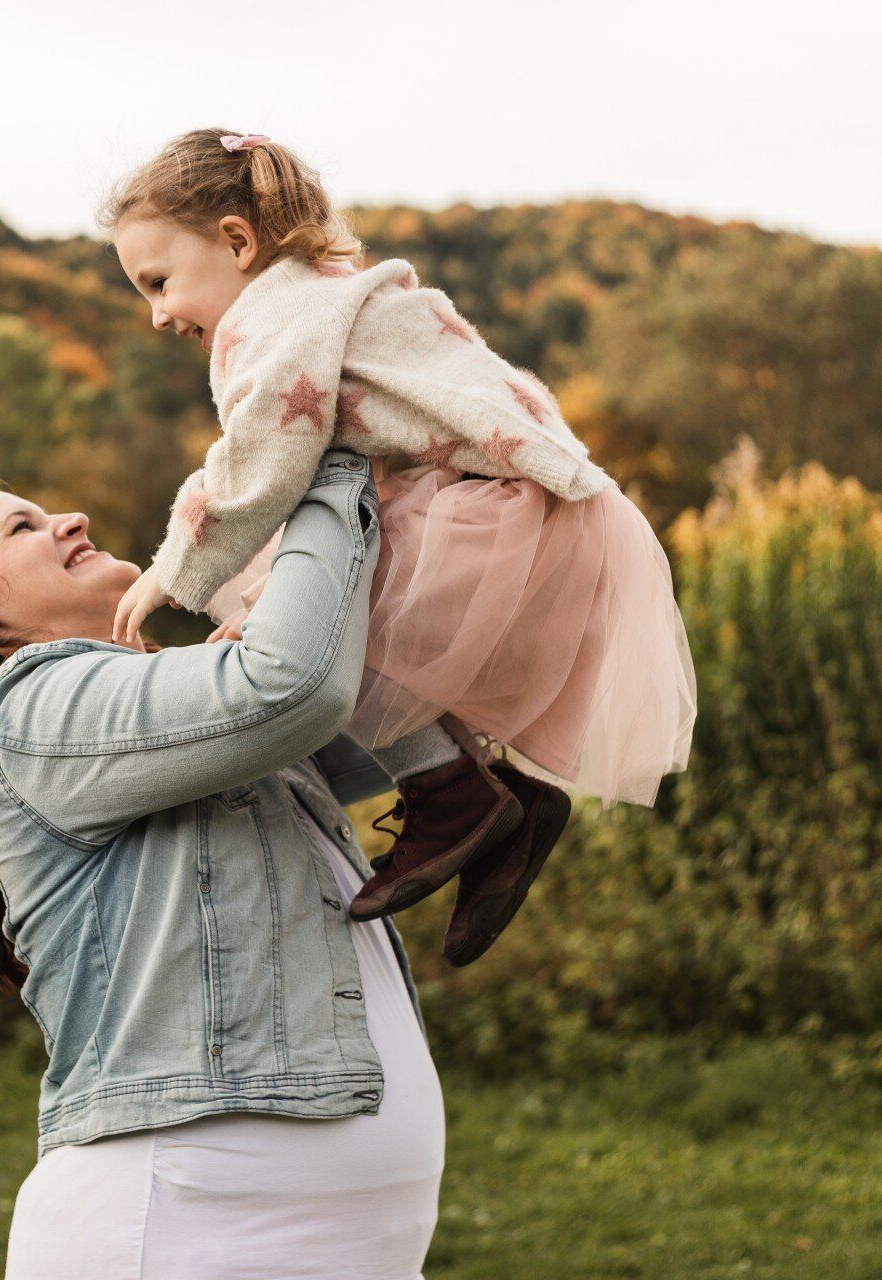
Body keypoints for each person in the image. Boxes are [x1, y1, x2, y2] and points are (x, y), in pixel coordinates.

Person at [100, 128, 698, 962]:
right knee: (334, 610)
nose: (159, 313)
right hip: (535, 501)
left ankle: (451, 791)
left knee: (335, 620)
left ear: (237, 242)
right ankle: (503, 801)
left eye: (159, 282)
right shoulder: (327, 295)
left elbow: (263, 458)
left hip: (499, 507)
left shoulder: (273, 318)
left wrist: (176, 569)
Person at [0, 450, 451, 1278]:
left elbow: (383, 709)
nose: (71, 520)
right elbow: (295, 689)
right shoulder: (32, 708)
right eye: (22, 526)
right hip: (183, 1231)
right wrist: (319, 462)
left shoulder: (173, 718)